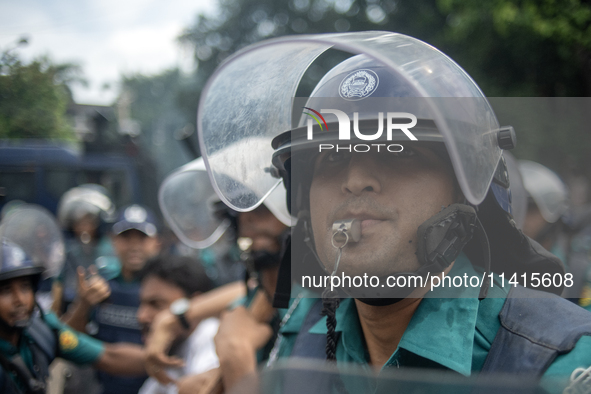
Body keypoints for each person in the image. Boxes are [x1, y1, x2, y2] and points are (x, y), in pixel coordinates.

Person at [190, 31, 591, 393]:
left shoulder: (560, 361)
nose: (356, 179)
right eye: (328, 159)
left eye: (398, 151)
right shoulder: (300, 337)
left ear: (464, 195)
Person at [147, 158, 291, 393]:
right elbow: (255, 292)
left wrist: (234, 354)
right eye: (239, 211)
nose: (248, 219)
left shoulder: (319, 302)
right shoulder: (256, 299)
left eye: (263, 208)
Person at [0, 214, 147, 394]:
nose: (19, 300)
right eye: (5, 291)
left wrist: (159, 360)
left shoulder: (41, 330)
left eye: (25, 287)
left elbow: (109, 356)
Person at [64, 204, 162, 394]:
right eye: (126, 237)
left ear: (156, 243)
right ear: (113, 241)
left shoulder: (167, 289)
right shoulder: (101, 285)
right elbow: (69, 339)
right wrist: (83, 304)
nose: (134, 246)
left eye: (142, 238)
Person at [136, 255, 219, 394]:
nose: (141, 316)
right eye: (141, 303)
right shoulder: (175, 346)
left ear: (195, 304)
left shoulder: (213, 343)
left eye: (156, 304)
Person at [52, 184, 117, 316]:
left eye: (89, 220)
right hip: (73, 306)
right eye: (79, 222)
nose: (84, 227)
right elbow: (59, 285)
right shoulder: (68, 251)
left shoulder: (108, 248)